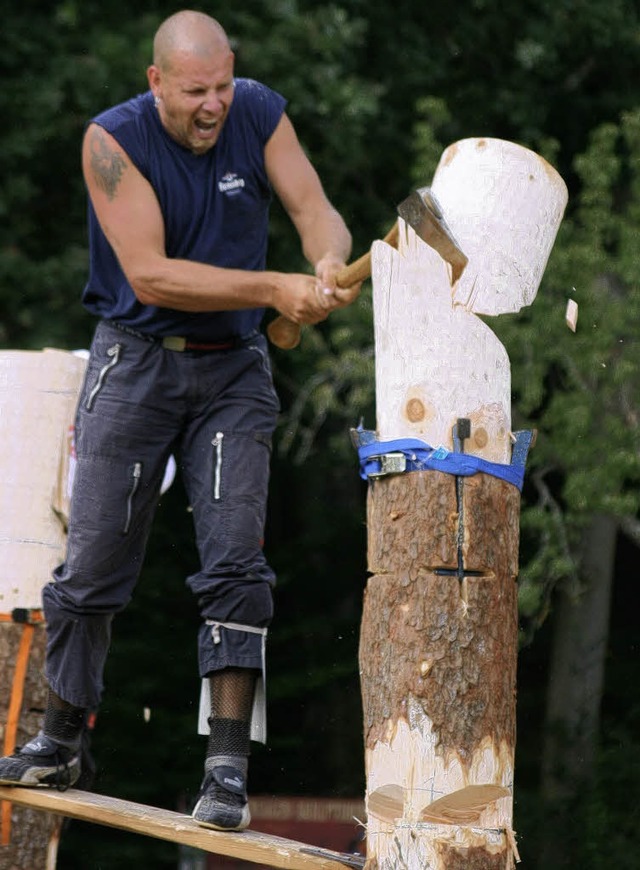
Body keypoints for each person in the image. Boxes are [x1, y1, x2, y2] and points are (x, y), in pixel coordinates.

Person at [0, 9, 356, 832]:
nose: (214, 106)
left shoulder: (260, 111)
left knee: (236, 567)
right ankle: (59, 741)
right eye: (197, 91)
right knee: (91, 568)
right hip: (136, 362)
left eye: (224, 86)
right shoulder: (109, 143)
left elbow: (317, 211)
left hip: (234, 372)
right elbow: (153, 275)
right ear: (157, 81)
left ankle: (225, 770)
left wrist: (328, 260)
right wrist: (273, 288)